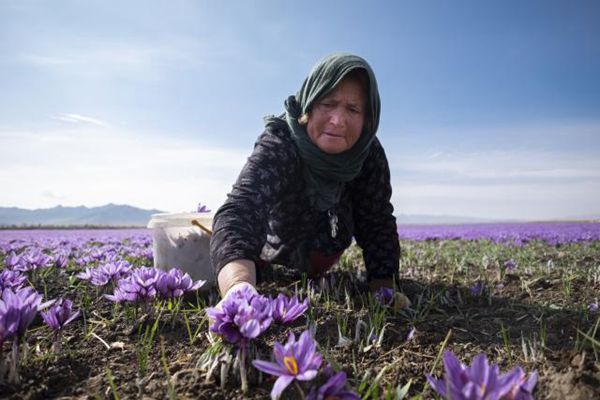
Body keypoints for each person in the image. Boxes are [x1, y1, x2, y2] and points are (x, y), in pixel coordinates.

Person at [209, 52, 400, 301]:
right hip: (268, 256)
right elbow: (242, 209)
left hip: (325, 255)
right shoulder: (280, 142)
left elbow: (376, 221)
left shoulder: (368, 154)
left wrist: (385, 290)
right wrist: (238, 287)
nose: (338, 120)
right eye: (328, 104)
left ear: (367, 119)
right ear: (308, 106)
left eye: (353, 109)